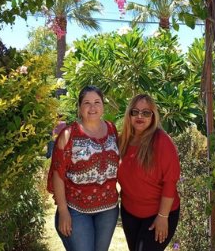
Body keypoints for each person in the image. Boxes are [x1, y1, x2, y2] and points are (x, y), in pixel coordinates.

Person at [47, 85, 120, 251]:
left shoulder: (112, 129)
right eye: (87, 103)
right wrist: (64, 212)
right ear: (80, 107)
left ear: (103, 106)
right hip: (76, 210)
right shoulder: (68, 135)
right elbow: (58, 175)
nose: (92, 107)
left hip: (108, 210)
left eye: (97, 102)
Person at [118, 93, 181, 251]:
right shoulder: (121, 141)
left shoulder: (162, 142)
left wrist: (162, 217)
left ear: (153, 116)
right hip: (129, 213)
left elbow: (170, 182)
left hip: (159, 213)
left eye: (146, 112)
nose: (140, 116)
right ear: (129, 114)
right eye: (135, 111)